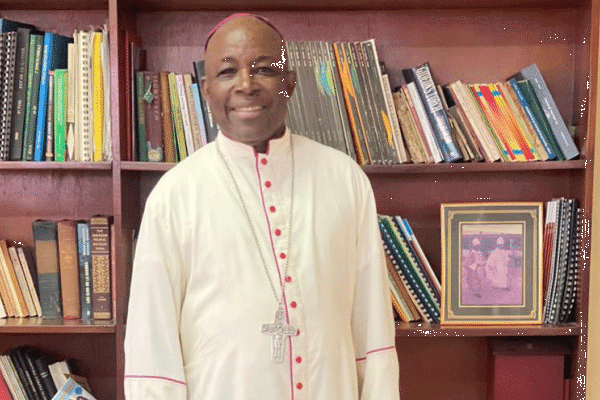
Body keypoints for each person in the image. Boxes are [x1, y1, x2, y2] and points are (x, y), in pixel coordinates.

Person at [124, 13, 400, 400]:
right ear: (206, 89)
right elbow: (152, 357)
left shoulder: (345, 179)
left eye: (264, 70)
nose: (246, 85)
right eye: (227, 72)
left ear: (289, 84)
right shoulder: (174, 197)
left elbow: (373, 336)